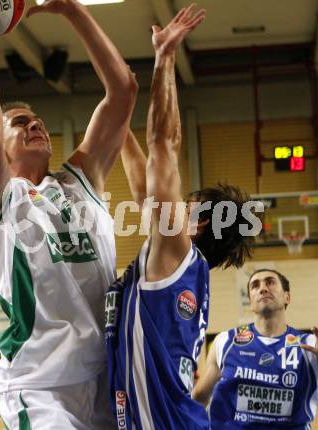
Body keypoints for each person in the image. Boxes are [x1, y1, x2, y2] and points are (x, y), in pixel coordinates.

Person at [0, 0, 138, 428]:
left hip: (106, 377)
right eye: (21, 122)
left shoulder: (80, 181)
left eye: (39, 120)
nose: (36, 125)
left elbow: (123, 90)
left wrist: (73, 12)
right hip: (39, 384)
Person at [105, 4, 254, 429]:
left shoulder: (177, 251)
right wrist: (114, 117)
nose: (177, 202)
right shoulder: (179, 262)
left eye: (188, 202)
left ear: (201, 222)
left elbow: (163, 146)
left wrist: (165, 57)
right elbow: (143, 186)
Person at [193, 269, 318, 429]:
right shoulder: (225, 341)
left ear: (287, 297)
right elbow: (200, 397)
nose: (263, 288)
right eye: (255, 286)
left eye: (270, 282)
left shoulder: (310, 345)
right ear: (251, 302)